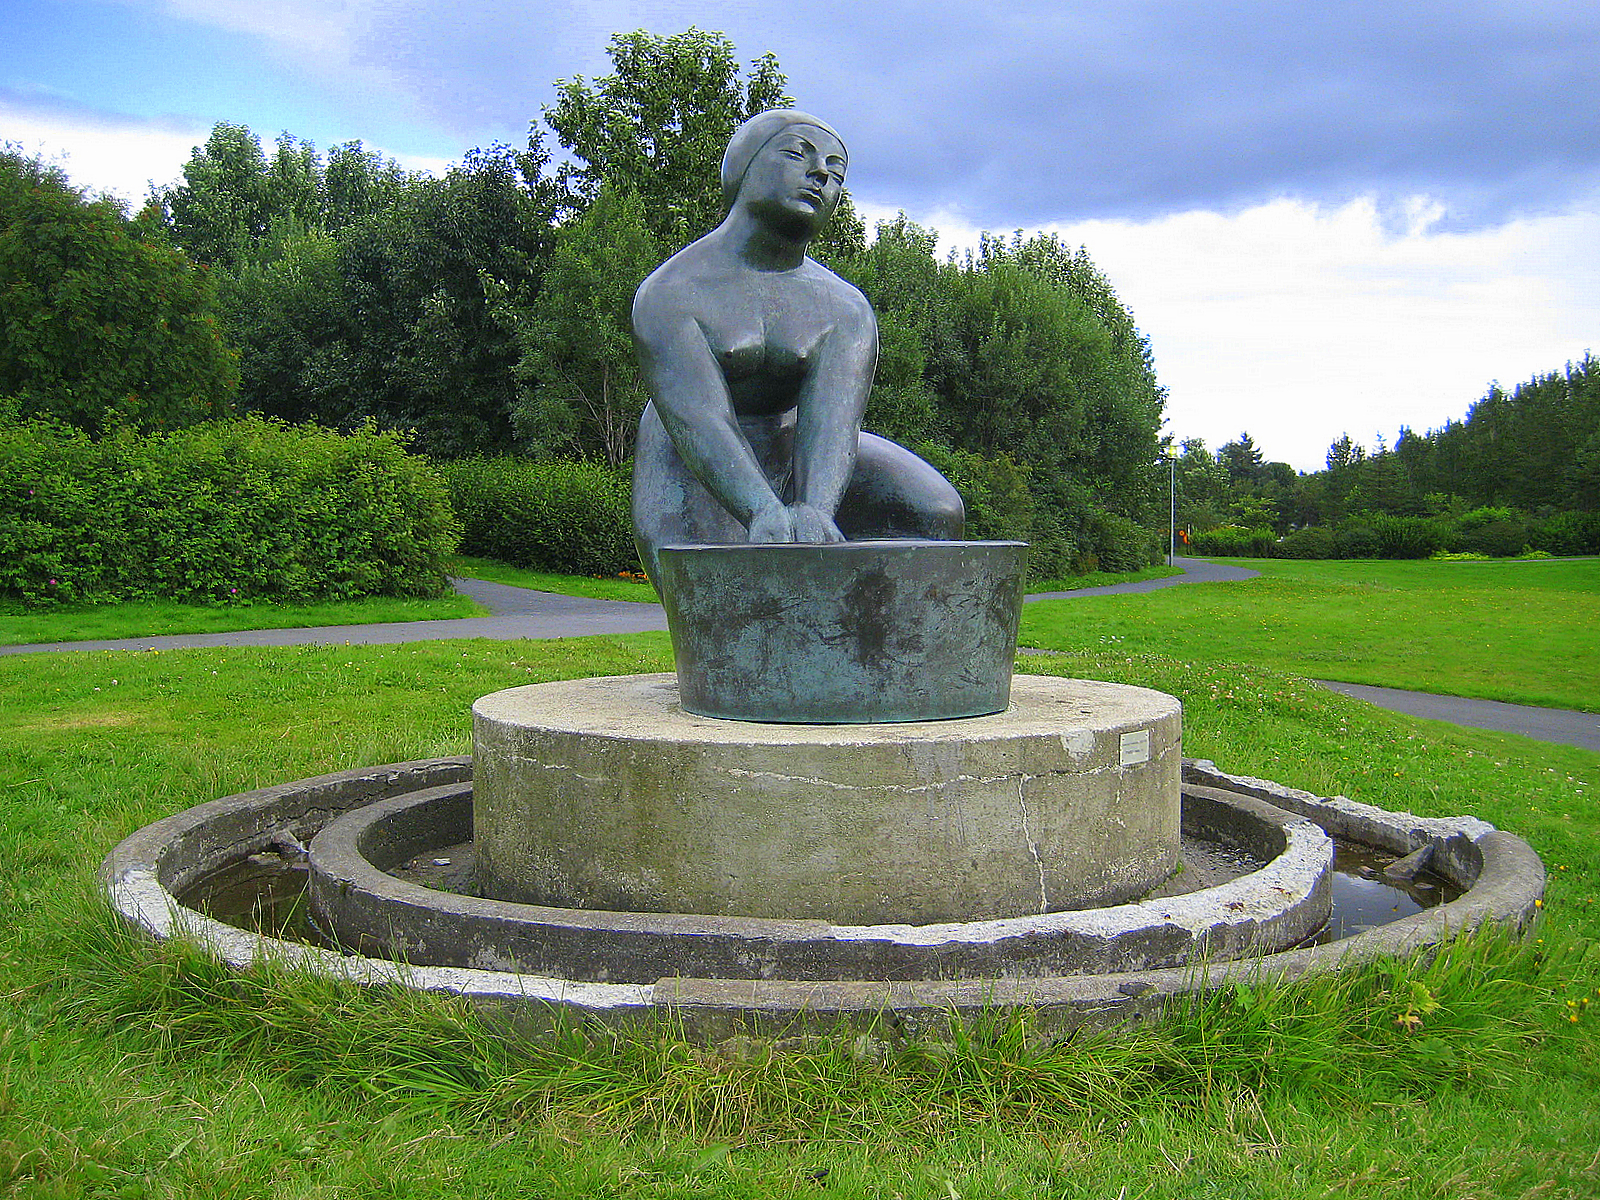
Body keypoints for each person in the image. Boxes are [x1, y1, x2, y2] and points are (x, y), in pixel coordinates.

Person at [631, 109, 963, 585]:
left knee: (935, 513)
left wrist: (815, 509)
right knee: (720, 601)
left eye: (836, 171)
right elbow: (698, 418)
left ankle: (870, 646)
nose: (821, 174)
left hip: (790, 441)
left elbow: (833, 422)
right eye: (797, 154)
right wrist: (762, 509)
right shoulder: (671, 292)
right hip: (688, 457)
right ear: (744, 168)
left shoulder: (844, 308)